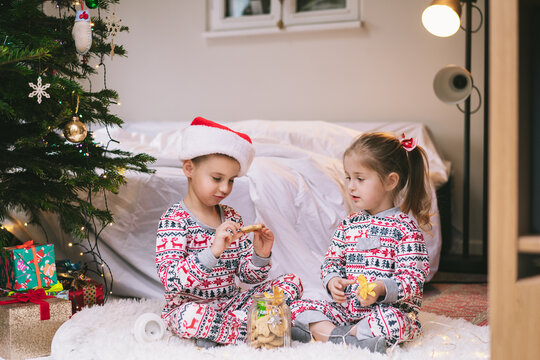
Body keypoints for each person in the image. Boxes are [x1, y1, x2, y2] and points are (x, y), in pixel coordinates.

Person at [156, 117, 303, 347]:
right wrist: (213, 251)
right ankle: (272, 328)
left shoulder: (232, 217)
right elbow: (172, 280)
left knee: (292, 283)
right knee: (191, 318)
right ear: (189, 168)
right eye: (216, 178)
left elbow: (247, 277)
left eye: (231, 180)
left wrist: (259, 255)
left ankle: (225, 330)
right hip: (188, 307)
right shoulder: (174, 220)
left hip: (231, 302)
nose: (225, 188)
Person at [289, 132, 431, 354]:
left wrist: (381, 288)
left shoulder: (405, 229)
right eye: (348, 178)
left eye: (360, 179)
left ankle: (327, 335)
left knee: (395, 322)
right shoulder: (349, 224)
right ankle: (348, 337)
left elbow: (413, 279)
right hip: (347, 309)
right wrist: (332, 280)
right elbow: (331, 261)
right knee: (298, 306)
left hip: (385, 311)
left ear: (390, 181)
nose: (351, 187)